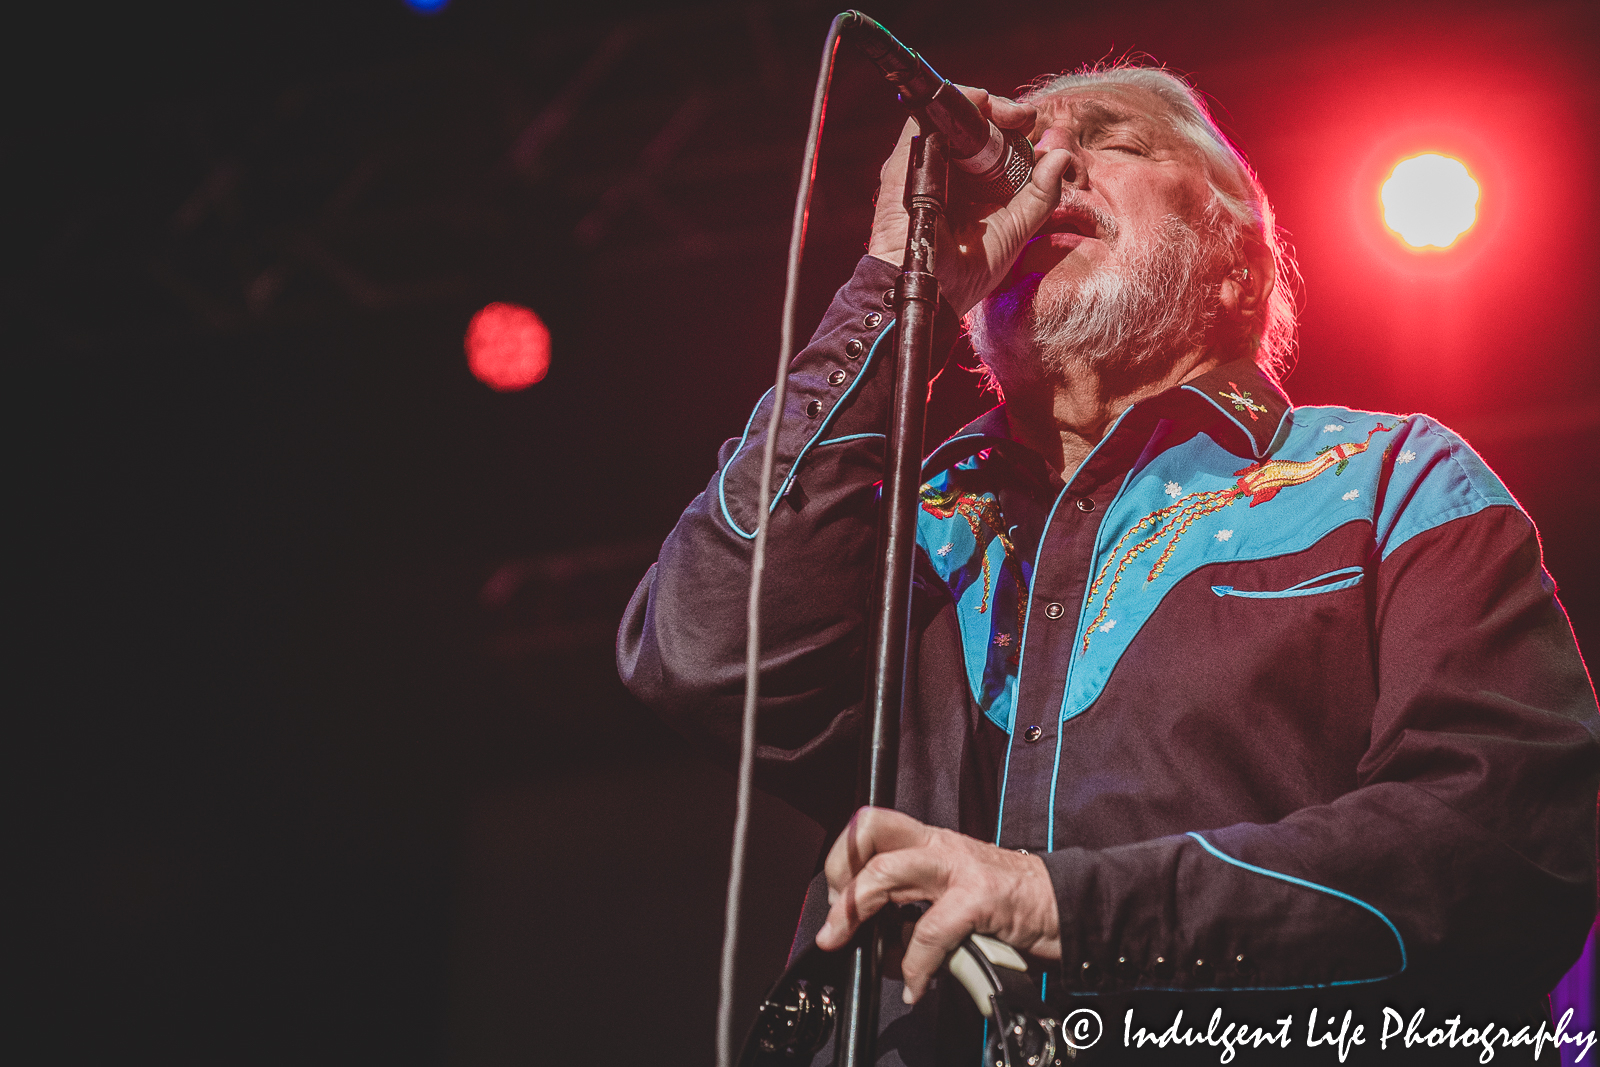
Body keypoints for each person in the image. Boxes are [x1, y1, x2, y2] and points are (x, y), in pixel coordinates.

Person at [617, 64, 1599, 1064]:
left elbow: (1501, 844)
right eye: (1027, 150)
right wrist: (893, 284)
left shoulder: (1391, 480)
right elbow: (700, 655)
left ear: (1236, 258)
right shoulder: (899, 529)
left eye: (1112, 141)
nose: (1047, 171)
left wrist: (1061, 907)